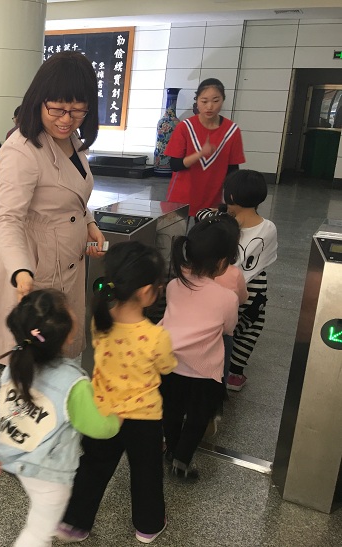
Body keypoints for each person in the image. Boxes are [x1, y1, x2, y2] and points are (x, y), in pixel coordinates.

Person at [0, 51, 106, 366]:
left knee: (58, 357)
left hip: (66, 258)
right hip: (33, 266)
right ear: (39, 100)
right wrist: (21, 271)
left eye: (77, 110)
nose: (66, 120)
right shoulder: (21, 150)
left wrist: (89, 223)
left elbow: (72, 191)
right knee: (33, 360)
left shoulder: (72, 139)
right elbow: (8, 219)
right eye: (58, 109)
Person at [0, 289, 121, 547]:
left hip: (19, 459)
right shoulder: (73, 383)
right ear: (67, 334)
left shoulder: (14, 365)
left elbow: (4, 411)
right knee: (37, 533)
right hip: (50, 475)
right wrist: (116, 418)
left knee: (40, 516)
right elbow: (98, 428)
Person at [56, 242, 177, 545]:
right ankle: (148, 526)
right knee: (147, 472)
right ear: (147, 292)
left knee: (93, 467)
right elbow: (166, 367)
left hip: (103, 413)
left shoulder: (101, 322)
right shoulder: (156, 336)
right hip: (144, 419)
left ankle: (74, 522)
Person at [159, 215, 241, 479]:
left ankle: (171, 449)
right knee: (197, 418)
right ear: (222, 262)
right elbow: (228, 329)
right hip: (204, 372)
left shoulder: (174, 285)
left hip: (168, 364)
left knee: (171, 412)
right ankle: (182, 460)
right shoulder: (227, 297)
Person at [196, 170, 278, 391]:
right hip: (254, 290)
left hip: (221, 289)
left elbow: (200, 214)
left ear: (230, 196)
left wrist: (220, 211)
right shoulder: (269, 228)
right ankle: (235, 374)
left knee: (220, 329)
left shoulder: (220, 223)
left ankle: (209, 366)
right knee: (250, 329)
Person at [165, 78, 245, 216]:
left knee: (206, 230)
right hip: (182, 196)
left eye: (216, 101)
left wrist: (231, 200)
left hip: (213, 197)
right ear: (197, 101)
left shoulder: (232, 130)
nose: (210, 106)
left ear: (223, 100)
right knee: (176, 230)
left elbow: (233, 170)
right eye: (204, 101)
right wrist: (199, 154)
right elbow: (175, 165)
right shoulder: (184, 127)